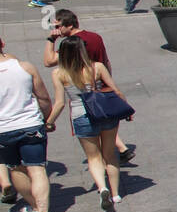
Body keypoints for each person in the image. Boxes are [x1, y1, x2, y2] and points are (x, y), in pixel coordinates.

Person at [46, 35, 130, 212]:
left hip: (81, 116)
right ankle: (116, 194)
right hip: (104, 113)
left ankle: (102, 187)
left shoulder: (59, 73)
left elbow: (60, 103)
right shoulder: (97, 67)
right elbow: (115, 90)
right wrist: (126, 110)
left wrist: (49, 122)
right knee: (110, 154)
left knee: (93, 157)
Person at [42, 9, 133, 163]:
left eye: (58, 26)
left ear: (69, 25)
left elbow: (48, 61)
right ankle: (121, 150)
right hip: (100, 82)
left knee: (94, 124)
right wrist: (107, 79)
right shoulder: (95, 37)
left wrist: (51, 39)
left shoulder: (71, 44)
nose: (56, 30)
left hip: (83, 88)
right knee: (104, 119)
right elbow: (106, 60)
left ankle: (104, 160)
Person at [0, 37, 55, 212]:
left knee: (16, 169)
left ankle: (33, 206)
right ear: (3, 44)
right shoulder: (25, 67)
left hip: (3, 131)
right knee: (37, 169)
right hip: (30, 125)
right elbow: (43, 98)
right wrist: (47, 119)